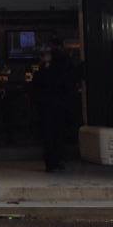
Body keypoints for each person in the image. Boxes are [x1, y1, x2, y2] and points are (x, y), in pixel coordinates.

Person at [32, 40, 74, 172]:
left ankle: (51, 161)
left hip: (47, 106)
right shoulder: (60, 69)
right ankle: (56, 159)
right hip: (58, 106)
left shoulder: (42, 71)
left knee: (48, 134)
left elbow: (36, 87)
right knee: (58, 134)